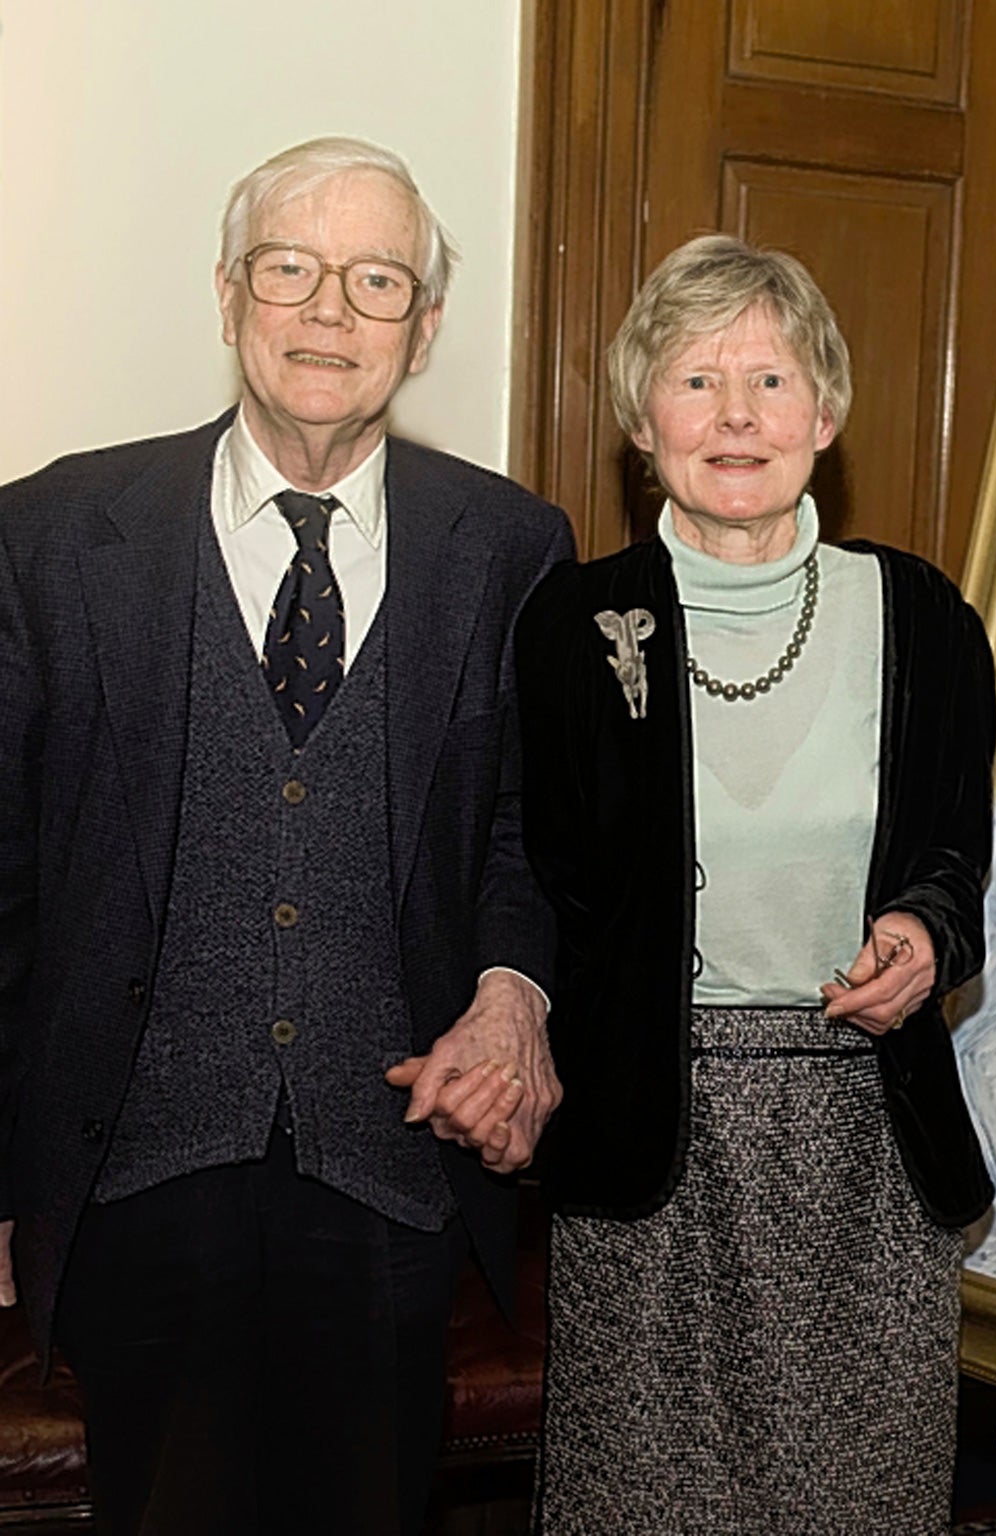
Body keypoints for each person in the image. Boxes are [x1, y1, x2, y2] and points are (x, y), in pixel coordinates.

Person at [0, 137, 574, 1534]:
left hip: (387, 1170)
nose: (330, 313)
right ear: (227, 294)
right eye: (292, 270)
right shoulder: (55, 534)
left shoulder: (510, 546)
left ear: (424, 327)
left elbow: (525, 832)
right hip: (134, 1162)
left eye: (377, 281)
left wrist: (512, 994)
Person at [517, 233, 996, 1535]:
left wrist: (920, 931)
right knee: (644, 1507)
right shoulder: (571, 628)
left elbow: (957, 856)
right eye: (695, 381)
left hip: (862, 1137)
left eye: (772, 381)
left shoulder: (924, 620)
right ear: (639, 421)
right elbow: (536, 877)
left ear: (826, 414)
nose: (736, 415)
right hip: (647, 1136)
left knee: (856, 1503)